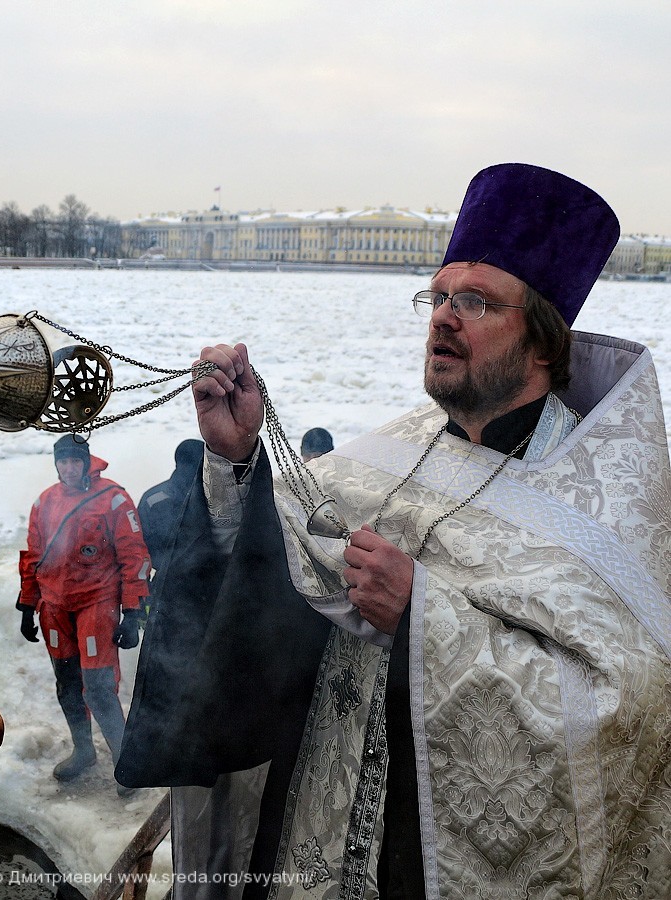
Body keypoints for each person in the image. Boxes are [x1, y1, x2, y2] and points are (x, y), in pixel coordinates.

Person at [118, 163, 671, 898]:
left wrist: (424, 617)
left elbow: (628, 704)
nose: (442, 316)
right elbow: (278, 567)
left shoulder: (604, 493)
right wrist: (238, 462)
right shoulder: (392, 452)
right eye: (438, 295)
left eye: (473, 301)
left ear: (542, 342)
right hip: (320, 833)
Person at [17, 435, 151, 791]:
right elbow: (33, 556)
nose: (69, 468)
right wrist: (28, 605)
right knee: (68, 683)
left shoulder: (113, 499)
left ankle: (127, 763)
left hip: (97, 601)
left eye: (75, 461)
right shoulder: (44, 502)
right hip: (55, 604)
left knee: (98, 687)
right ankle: (83, 750)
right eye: (63, 462)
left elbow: (134, 557)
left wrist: (133, 613)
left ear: (86, 461)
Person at [138, 439, 204, 601]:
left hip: (212, 584)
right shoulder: (155, 500)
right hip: (167, 585)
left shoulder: (216, 497)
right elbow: (138, 550)